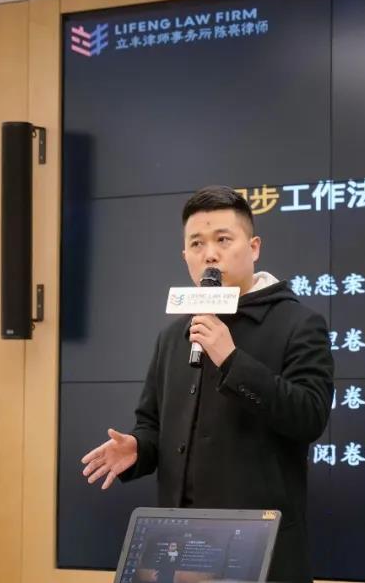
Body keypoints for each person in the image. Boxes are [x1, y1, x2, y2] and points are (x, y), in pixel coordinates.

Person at [80, 185, 335, 582]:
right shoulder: (173, 336)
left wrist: (231, 359)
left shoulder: (299, 324)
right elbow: (152, 424)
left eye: (223, 240)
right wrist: (139, 448)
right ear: (185, 255)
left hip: (258, 554)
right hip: (179, 554)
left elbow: (310, 417)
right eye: (196, 244)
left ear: (254, 247)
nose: (209, 254)